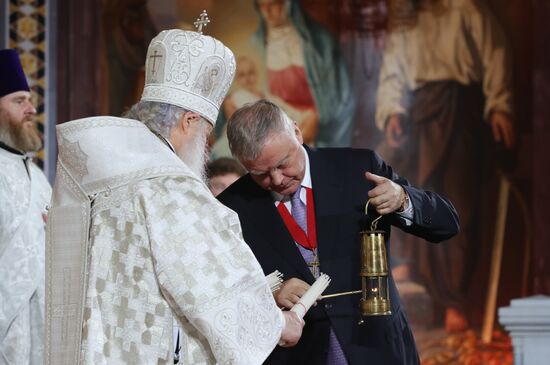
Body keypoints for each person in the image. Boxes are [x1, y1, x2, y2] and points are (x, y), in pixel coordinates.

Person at [45, 29, 303, 365]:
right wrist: (278, 324)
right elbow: (212, 286)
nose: (205, 144)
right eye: (206, 132)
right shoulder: (170, 185)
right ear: (189, 120)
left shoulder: (93, 177)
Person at [217, 100, 460, 365]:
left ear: (297, 133)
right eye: (260, 173)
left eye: (283, 163)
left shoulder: (358, 168)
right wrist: (271, 292)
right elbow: (220, 289)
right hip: (297, 355)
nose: (276, 180)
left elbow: (446, 224)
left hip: (376, 346)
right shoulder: (231, 206)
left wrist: (404, 200)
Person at [375, 0, 515, 332]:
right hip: (418, 120)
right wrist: (394, 110)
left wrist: (499, 105)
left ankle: (454, 300)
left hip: (459, 117)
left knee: (457, 203)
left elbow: (495, 54)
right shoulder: (406, 20)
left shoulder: (467, 10)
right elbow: (393, 71)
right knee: (404, 190)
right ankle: (412, 278)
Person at [0, 48, 51, 364]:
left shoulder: (36, 173)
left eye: (29, 100)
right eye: (19, 101)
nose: (32, 109)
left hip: (41, 331)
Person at [252, 0, 355, 146]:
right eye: (262, 6)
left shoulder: (320, 43)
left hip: (313, 128)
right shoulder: (255, 45)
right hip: (274, 128)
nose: (267, 11)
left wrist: (318, 120)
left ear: (289, 4)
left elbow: (343, 99)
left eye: (274, 4)